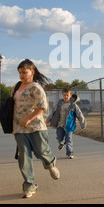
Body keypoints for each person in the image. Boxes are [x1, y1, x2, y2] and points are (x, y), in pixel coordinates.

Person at [12, 59, 60, 199]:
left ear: (32, 72)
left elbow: (42, 106)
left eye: (24, 72)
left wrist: (29, 118)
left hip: (36, 126)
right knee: (24, 157)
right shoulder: (16, 86)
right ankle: (29, 185)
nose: (22, 75)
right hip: (19, 128)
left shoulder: (36, 87)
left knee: (41, 152)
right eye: (20, 72)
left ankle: (50, 165)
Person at [47, 87, 86, 159]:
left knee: (69, 140)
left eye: (67, 95)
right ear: (62, 95)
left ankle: (70, 153)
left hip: (69, 126)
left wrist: (83, 123)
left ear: (70, 95)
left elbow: (80, 115)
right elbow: (52, 113)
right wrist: (48, 120)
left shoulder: (73, 106)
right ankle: (61, 143)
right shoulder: (59, 104)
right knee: (59, 137)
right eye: (64, 95)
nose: (66, 97)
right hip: (60, 125)